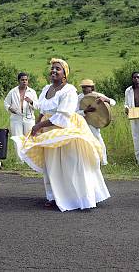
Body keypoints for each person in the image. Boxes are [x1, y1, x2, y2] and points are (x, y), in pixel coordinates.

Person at [11, 58, 110, 212]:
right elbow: (43, 111)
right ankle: (54, 196)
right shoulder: (46, 89)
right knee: (51, 165)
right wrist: (35, 127)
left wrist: (39, 125)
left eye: (58, 68)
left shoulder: (69, 90)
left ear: (65, 74)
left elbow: (62, 118)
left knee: (71, 164)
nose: (54, 71)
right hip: (48, 129)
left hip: (65, 130)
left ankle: (80, 197)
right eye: (52, 68)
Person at [76, 79, 116, 166]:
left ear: (91, 88)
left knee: (98, 140)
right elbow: (75, 112)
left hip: (94, 122)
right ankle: (89, 162)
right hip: (82, 122)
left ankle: (103, 161)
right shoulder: (79, 97)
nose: (84, 89)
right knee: (84, 142)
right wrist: (85, 111)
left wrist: (105, 100)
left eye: (86, 87)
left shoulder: (97, 95)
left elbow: (113, 102)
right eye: (83, 87)